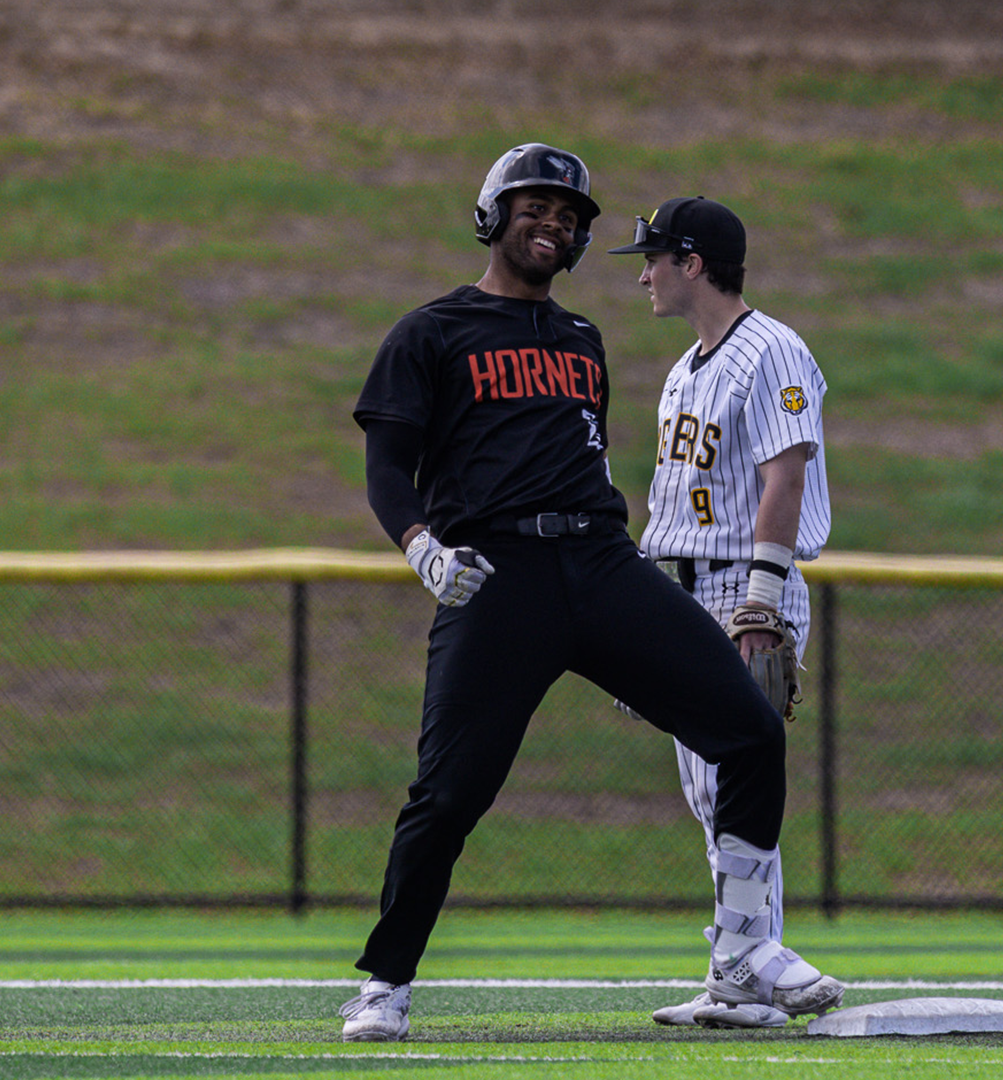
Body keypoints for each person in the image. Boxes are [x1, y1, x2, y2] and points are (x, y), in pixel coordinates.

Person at [338, 145, 843, 1042]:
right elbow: (385, 467)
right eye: (536, 206)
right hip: (498, 576)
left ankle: (742, 955)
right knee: (450, 793)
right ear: (494, 213)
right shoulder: (431, 331)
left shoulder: (581, 339)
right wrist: (420, 546)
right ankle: (385, 981)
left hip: (605, 562)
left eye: (570, 216)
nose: (555, 224)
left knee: (751, 729)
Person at [607, 196, 833, 1029]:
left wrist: (761, 604)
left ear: (692, 263)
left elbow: (786, 479)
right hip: (680, 587)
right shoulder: (685, 369)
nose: (644, 274)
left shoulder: (772, 350)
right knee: (710, 794)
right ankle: (740, 970)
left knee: (731, 775)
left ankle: (747, 959)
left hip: (743, 588)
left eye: (654, 258)